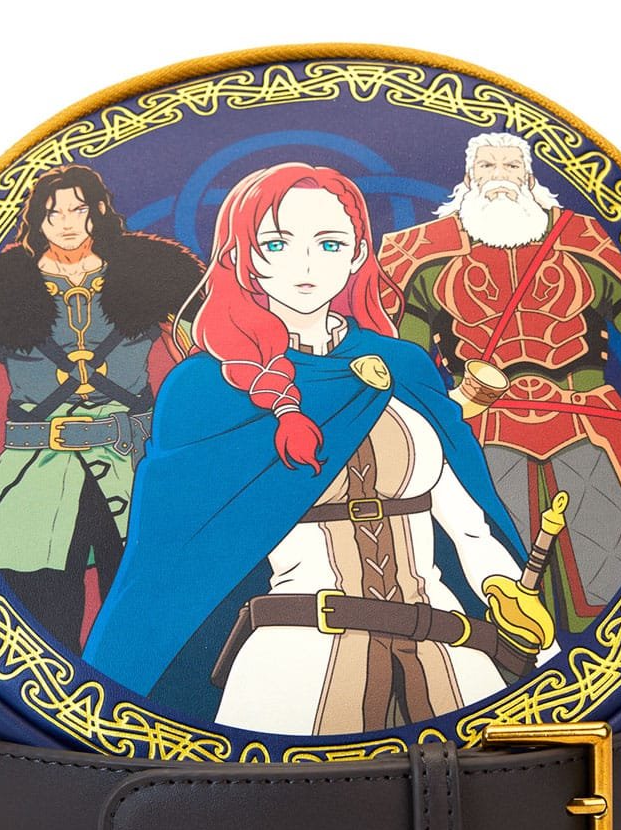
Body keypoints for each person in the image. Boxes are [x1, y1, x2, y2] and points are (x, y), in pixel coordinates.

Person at [84, 162, 552, 737]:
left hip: (446, 639)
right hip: (298, 652)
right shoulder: (203, 389)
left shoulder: (403, 366)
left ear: (358, 256)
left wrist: (500, 586)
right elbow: (171, 559)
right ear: (242, 255)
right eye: (277, 244)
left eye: (329, 244)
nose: (305, 266)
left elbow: (466, 519)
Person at [380, 133, 621, 634]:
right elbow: (408, 364)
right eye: (487, 166)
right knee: (492, 564)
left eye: (511, 166)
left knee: (616, 559)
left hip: (586, 422)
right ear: (468, 178)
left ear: (530, 178)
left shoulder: (582, 243)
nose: (499, 177)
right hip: (481, 428)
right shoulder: (423, 258)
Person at [0, 165, 204, 653]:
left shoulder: (149, 275)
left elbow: (198, 355)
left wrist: (218, 424)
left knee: (142, 603)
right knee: (35, 606)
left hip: (134, 465)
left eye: (76, 209)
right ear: (37, 221)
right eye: (53, 213)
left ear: (97, 211)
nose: (66, 223)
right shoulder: (6, 286)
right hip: (36, 471)